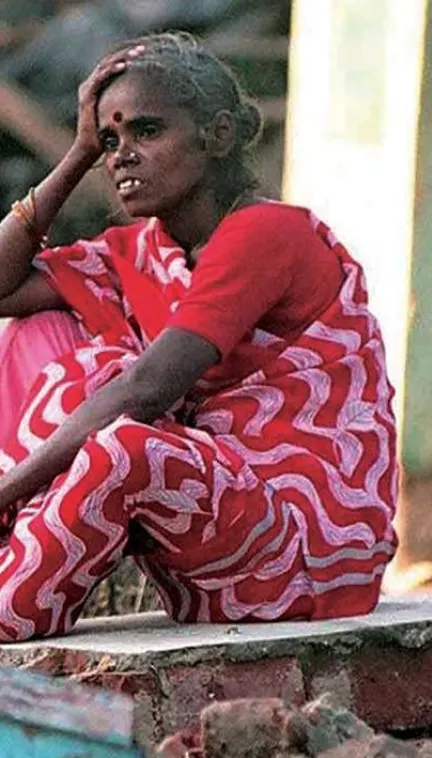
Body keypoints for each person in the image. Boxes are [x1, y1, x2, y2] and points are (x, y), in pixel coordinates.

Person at [0, 31, 398, 642]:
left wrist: (11, 488)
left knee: (123, 434)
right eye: (110, 140)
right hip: (215, 542)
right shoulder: (142, 253)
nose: (121, 155)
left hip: (301, 551)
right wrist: (75, 155)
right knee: (37, 333)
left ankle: (10, 604)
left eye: (147, 132)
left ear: (216, 136)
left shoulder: (265, 233)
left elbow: (150, 387)